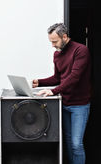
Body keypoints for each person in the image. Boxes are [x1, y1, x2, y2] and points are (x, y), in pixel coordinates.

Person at [33, 23, 92, 164]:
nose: (52, 45)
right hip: (64, 103)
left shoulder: (81, 50)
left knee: (76, 144)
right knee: (68, 143)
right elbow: (58, 78)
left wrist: (53, 91)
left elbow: (73, 78)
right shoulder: (57, 53)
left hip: (80, 105)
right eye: (51, 42)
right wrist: (38, 82)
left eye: (55, 41)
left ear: (64, 37)